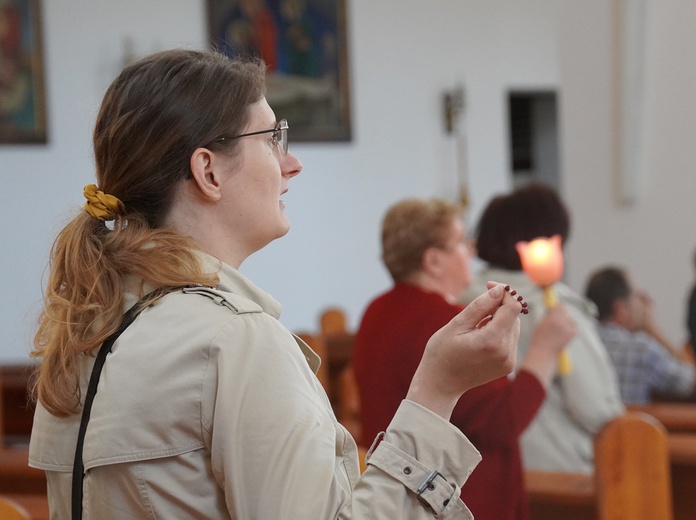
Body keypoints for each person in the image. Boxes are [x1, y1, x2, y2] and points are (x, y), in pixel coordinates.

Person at [27, 49, 526, 520]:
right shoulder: (232, 339)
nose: (292, 163)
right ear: (208, 171)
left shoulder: (90, 326)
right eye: (271, 138)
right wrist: (437, 391)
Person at [353, 197, 577, 520]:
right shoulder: (446, 322)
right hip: (461, 501)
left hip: (394, 495)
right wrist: (545, 349)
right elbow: (503, 419)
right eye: (460, 242)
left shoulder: (376, 312)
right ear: (433, 261)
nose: (471, 252)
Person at [461, 182, 625, 474]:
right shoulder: (554, 309)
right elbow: (596, 408)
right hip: (562, 468)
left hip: (490, 470)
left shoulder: (462, 301)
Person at [585, 266, 695, 404]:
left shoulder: (575, 343)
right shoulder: (641, 348)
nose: (647, 302)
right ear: (621, 309)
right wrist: (652, 329)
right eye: (639, 296)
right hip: (630, 426)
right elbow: (690, 381)